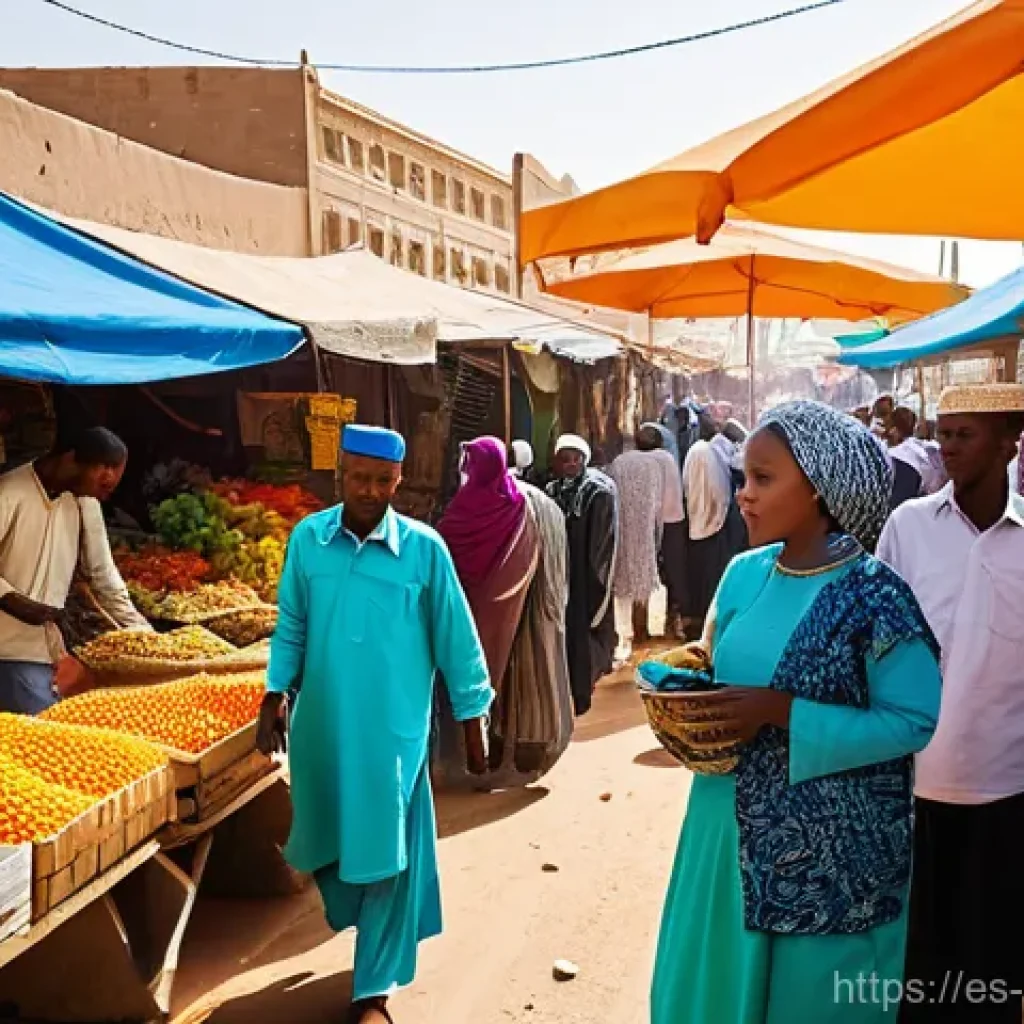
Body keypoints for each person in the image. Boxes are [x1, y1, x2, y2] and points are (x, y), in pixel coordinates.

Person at [652, 400, 941, 1024]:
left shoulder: (876, 595)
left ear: (819, 487)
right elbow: (717, 661)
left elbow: (914, 718)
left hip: (828, 854)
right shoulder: (742, 575)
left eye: (763, 478)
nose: (743, 496)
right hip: (721, 826)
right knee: (716, 991)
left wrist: (785, 712)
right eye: (743, 479)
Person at [259, 424, 493, 1024]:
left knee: (386, 856)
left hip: (393, 738)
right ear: (340, 477)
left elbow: (457, 637)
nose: (369, 490)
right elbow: (291, 626)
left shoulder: (424, 549)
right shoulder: (308, 540)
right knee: (328, 849)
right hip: (323, 731)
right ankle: (369, 933)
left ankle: (372, 991)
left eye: (381, 480)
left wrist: (474, 717)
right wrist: (274, 694)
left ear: (399, 480)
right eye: (358, 478)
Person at [876, 384, 1024, 1024]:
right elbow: (875, 636)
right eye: (943, 433)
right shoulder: (908, 525)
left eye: (964, 435)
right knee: (916, 971)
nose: (948, 447)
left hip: (1006, 795)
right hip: (911, 788)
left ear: (1008, 443)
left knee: (993, 968)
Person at [0, 427, 149, 714]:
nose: (104, 496)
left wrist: (144, 634)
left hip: (49, 650)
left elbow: (103, 575)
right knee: (44, 734)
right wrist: (11, 599)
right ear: (71, 459)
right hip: (9, 649)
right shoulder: (8, 494)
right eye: (103, 483)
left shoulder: (82, 501)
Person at [434, 437, 539, 787]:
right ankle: (487, 751)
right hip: (505, 609)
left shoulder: (464, 506)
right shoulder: (518, 505)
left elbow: (444, 552)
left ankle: (470, 755)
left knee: (461, 677)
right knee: (495, 675)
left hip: (462, 607)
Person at [495, 473, 574, 785]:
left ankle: (523, 750)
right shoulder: (543, 502)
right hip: (546, 602)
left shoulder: (515, 505)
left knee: (525, 679)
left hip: (527, 601)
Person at [546, 434, 618, 716]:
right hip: (558, 572)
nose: (571, 464)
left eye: (576, 458)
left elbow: (602, 546)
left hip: (585, 577)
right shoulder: (551, 491)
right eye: (565, 459)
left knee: (584, 633)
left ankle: (582, 691)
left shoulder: (597, 492)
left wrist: (597, 584)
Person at [680, 414, 747, 638]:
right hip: (713, 524)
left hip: (704, 523)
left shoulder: (705, 451)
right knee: (711, 577)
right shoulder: (709, 452)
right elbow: (718, 491)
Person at [608, 431, 667, 647]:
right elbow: (657, 499)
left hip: (623, 525)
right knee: (645, 572)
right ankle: (643, 628)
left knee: (623, 576)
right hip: (644, 525)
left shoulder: (617, 464)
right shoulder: (653, 464)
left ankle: (625, 632)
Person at [639, 423, 687, 641]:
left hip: (655, 522)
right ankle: (675, 620)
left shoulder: (647, 461)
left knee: (650, 571)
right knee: (675, 572)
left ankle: (646, 626)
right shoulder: (668, 458)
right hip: (674, 520)